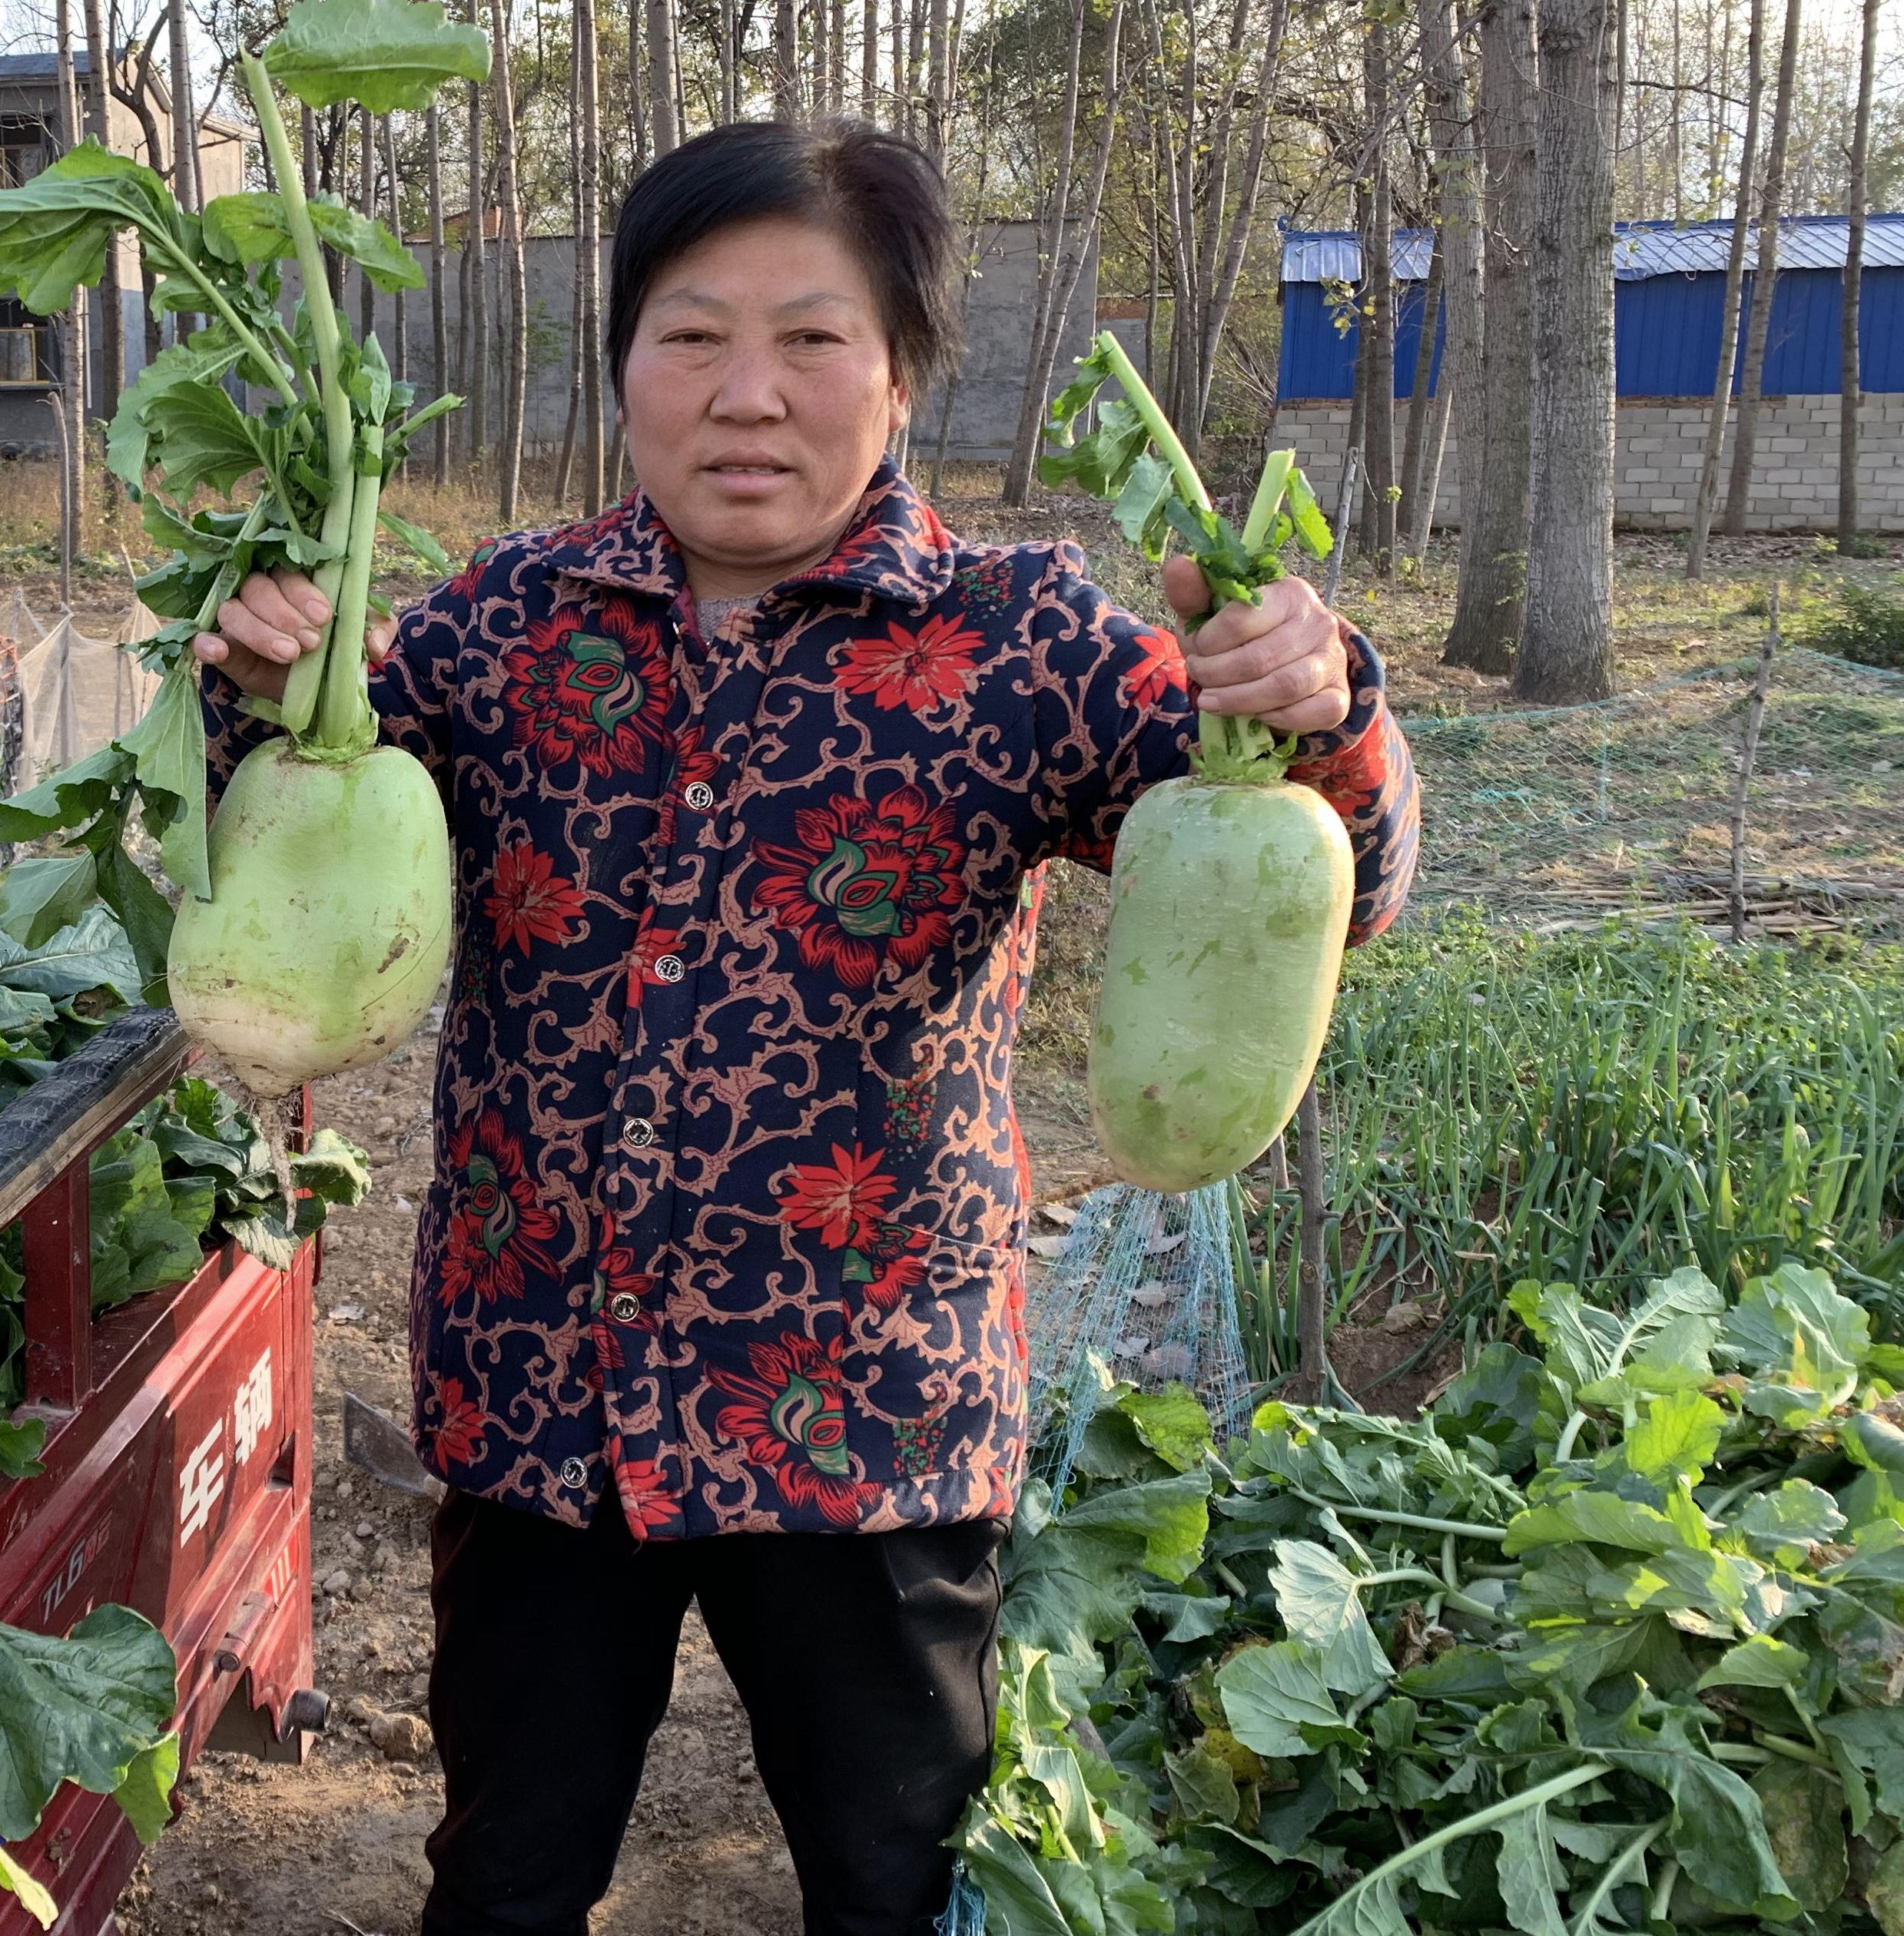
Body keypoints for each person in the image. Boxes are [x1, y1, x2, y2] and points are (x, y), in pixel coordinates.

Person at [192, 119, 1418, 1936]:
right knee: (509, 1875)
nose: (746, 396)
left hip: (869, 1419)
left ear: (903, 375)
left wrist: (1319, 705)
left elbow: (1340, 875)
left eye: (812, 339)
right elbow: (298, 858)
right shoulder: (495, 628)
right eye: (690, 337)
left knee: (892, 1877)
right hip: (546, 1402)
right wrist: (260, 676)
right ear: (622, 366)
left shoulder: (1024, 641)